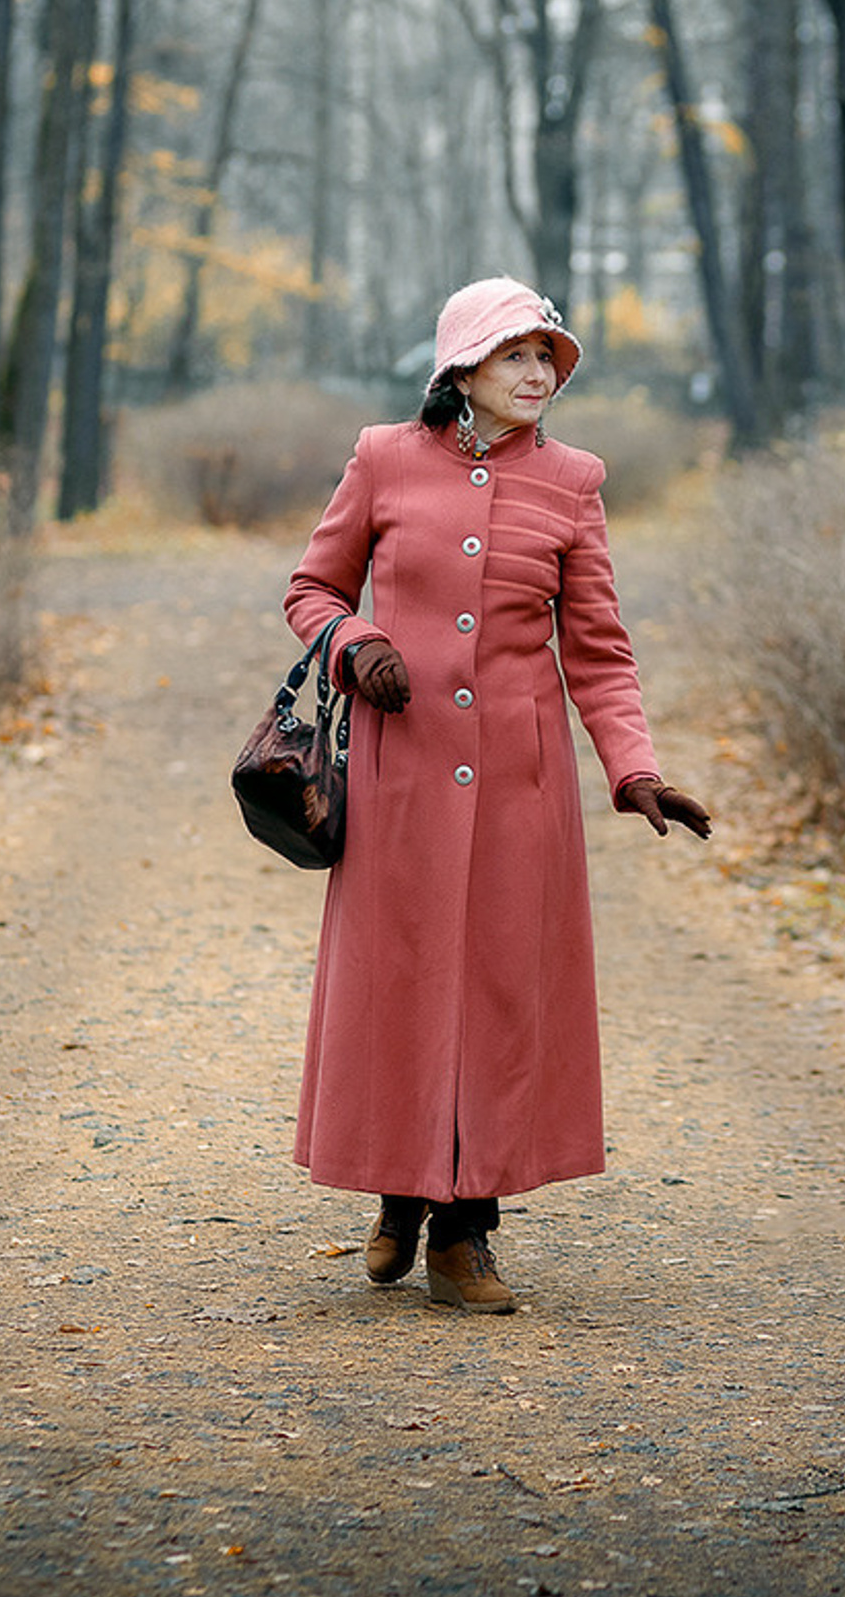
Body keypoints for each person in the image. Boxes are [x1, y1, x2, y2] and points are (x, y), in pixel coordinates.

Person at [282, 275, 712, 1316]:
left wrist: (633, 767)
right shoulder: (384, 457)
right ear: (462, 368)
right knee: (402, 984)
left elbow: (600, 653)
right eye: (516, 355)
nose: (537, 374)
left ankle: (466, 1235)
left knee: (499, 994)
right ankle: (399, 1194)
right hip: (401, 774)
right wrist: (358, 644)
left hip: (521, 790)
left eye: (548, 359)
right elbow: (313, 591)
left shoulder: (573, 482)